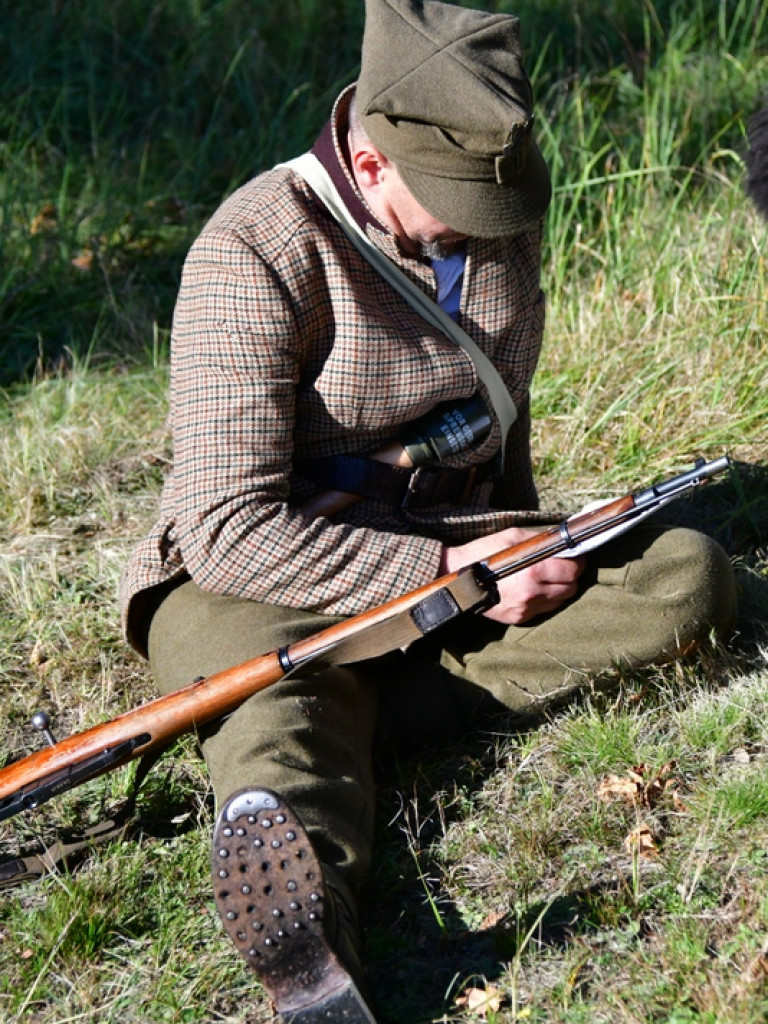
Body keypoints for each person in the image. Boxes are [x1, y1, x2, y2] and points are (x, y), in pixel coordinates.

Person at [119, 1, 736, 1021]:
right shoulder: (254, 250)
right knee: (277, 723)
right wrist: (453, 580)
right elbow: (229, 528)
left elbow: (501, 422)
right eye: (455, 202)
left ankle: (356, 708)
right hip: (257, 587)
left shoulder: (494, 214)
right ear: (369, 162)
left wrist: (531, 550)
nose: (488, 228)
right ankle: (313, 952)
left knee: (685, 578)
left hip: (447, 564)